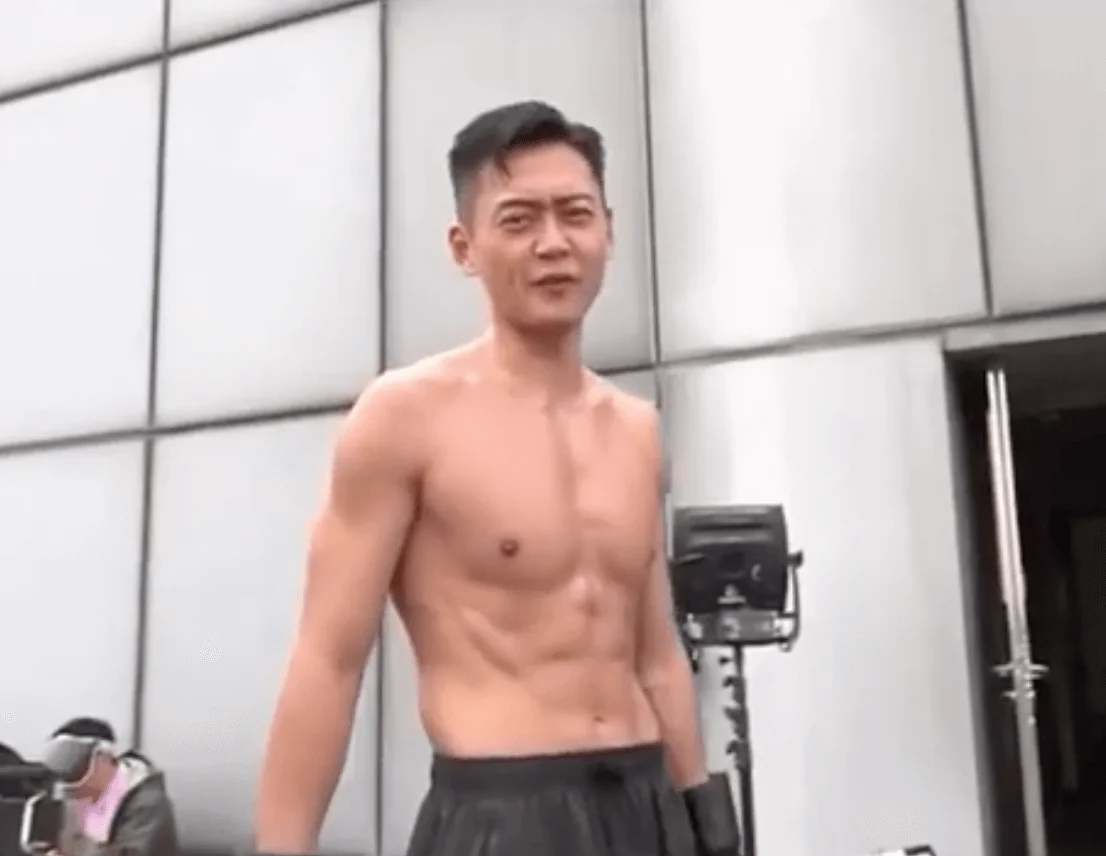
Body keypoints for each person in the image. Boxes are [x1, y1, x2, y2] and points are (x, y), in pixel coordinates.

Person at [254, 101, 739, 856]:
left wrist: (705, 816)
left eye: (575, 214)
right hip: (502, 814)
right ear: (464, 246)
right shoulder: (405, 416)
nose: (554, 243)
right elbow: (328, 660)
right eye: (519, 220)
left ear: (608, 230)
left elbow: (655, 654)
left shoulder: (636, 430)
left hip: (647, 805)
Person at [41, 718, 178, 856]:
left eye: (73, 761)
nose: (66, 774)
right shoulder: (72, 800)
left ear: (103, 757)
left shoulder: (147, 804)